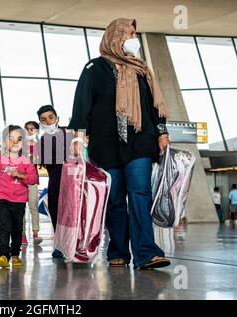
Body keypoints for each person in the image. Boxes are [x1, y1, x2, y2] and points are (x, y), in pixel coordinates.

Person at [68, 18, 170, 269]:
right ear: (116, 36)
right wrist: (79, 137)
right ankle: (118, 250)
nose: (134, 39)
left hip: (140, 140)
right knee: (114, 199)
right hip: (106, 142)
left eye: (135, 34)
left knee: (140, 193)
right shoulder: (95, 68)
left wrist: (162, 133)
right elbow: (82, 103)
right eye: (130, 34)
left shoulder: (141, 70)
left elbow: (153, 107)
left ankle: (147, 252)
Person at [0, 125, 39, 268]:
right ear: (4, 141)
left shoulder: (26, 161)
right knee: (5, 226)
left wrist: (20, 175)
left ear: (23, 142)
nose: (15, 142)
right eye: (11, 139)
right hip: (2, 198)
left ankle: (15, 255)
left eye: (19, 139)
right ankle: (3, 256)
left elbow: (33, 179)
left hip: (19, 200)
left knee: (17, 228)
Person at [36, 105, 72, 258]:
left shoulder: (69, 134)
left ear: (57, 118)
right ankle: (60, 244)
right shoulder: (43, 140)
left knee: (73, 211)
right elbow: (47, 163)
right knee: (56, 210)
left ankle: (75, 242)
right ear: (40, 123)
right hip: (55, 181)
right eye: (44, 120)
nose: (48, 121)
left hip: (71, 180)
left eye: (51, 117)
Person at [22, 121, 42, 245]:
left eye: (32, 129)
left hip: (33, 179)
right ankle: (22, 233)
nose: (30, 131)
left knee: (33, 206)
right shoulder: (20, 145)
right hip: (21, 180)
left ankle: (35, 233)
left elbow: (41, 161)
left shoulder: (40, 146)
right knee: (20, 208)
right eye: (27, 129)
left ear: (36, 130)